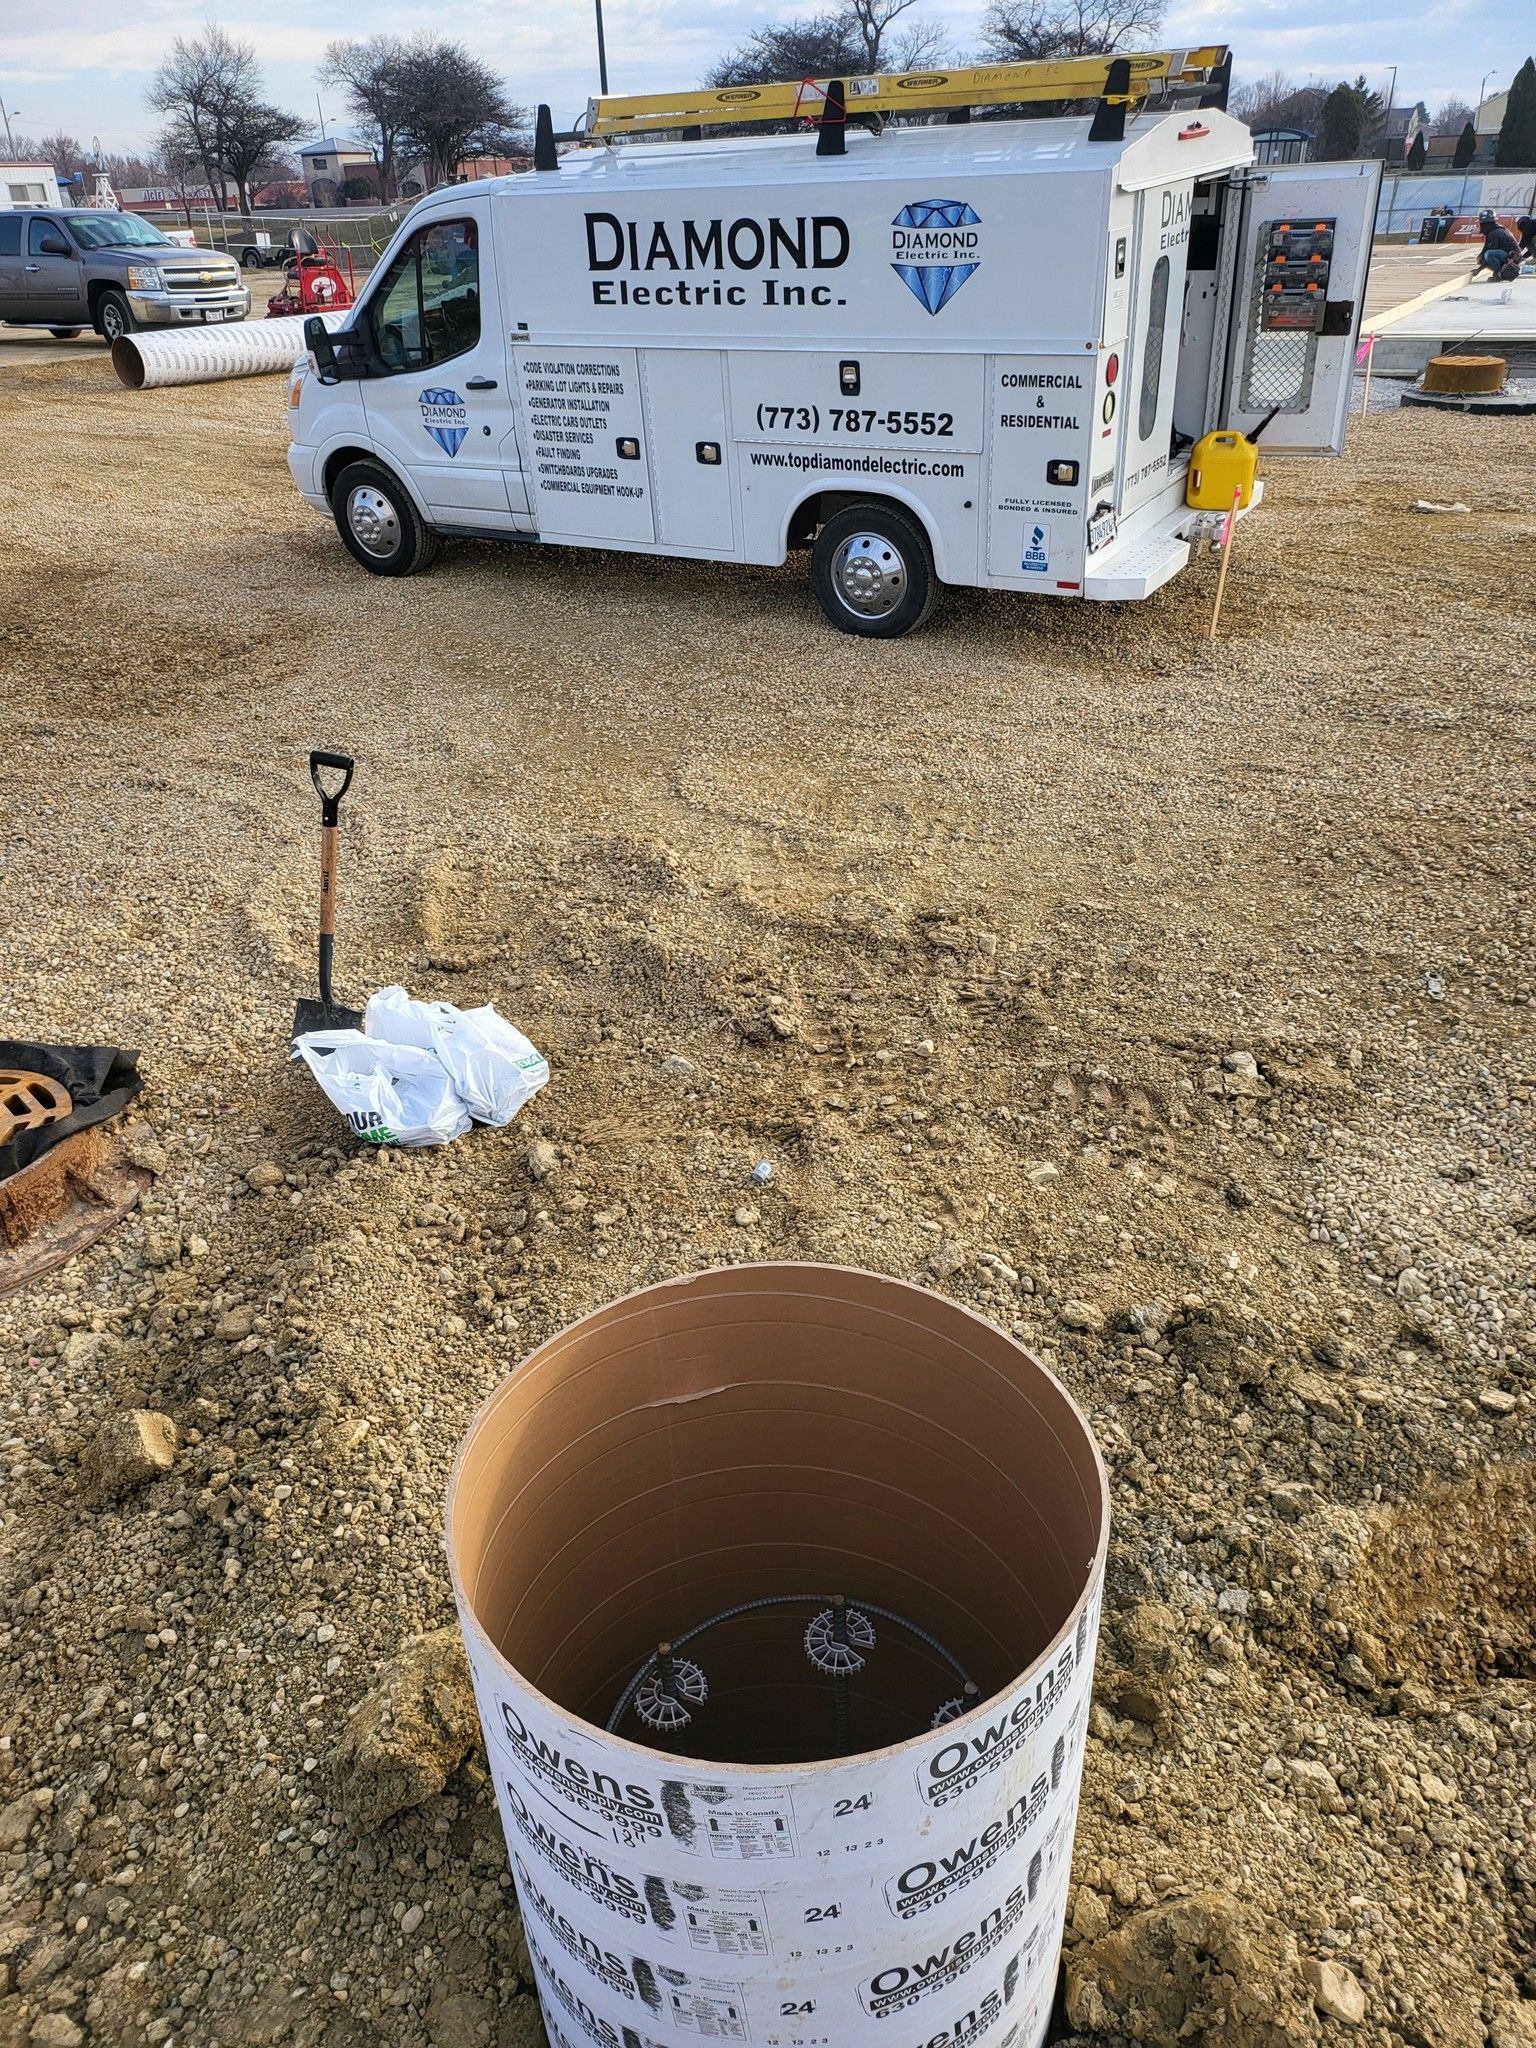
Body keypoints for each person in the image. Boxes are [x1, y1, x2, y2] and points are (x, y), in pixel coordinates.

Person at [1472, 210, 1521, 281]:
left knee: (1488, 254)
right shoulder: (1494, 230)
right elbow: (1485, 249)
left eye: (1480, 223)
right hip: (1510, 256)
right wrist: (1480, 264)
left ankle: (1498, 275)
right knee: (1482, 257)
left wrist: (1478, 270)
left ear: (1484, 224)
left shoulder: (1494, 233)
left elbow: (1490, 253)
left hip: (1513, 258)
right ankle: (1500, 272)